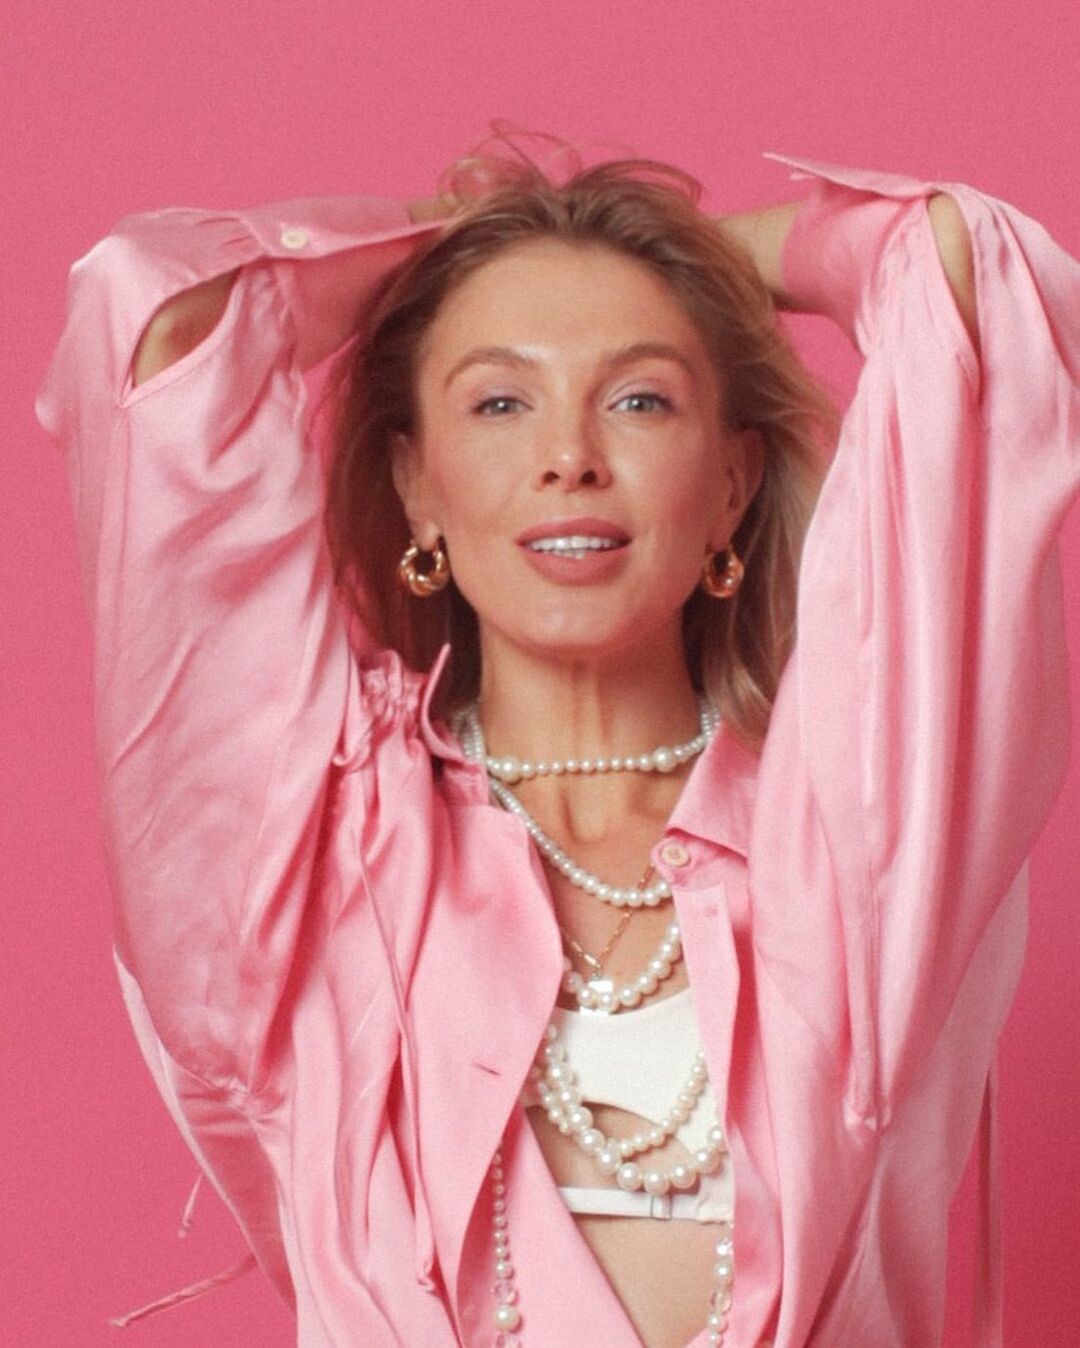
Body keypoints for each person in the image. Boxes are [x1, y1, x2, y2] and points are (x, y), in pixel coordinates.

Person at [35, 133, 1079, 1347]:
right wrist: (466, 238)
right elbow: (158, 313)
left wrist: (692, 252)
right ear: (417, 486)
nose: (570, 458)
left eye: (640, 398)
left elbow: (964, 268)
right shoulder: (313, 857)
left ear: (732, 484)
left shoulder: (860, 832)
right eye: (499, 401)